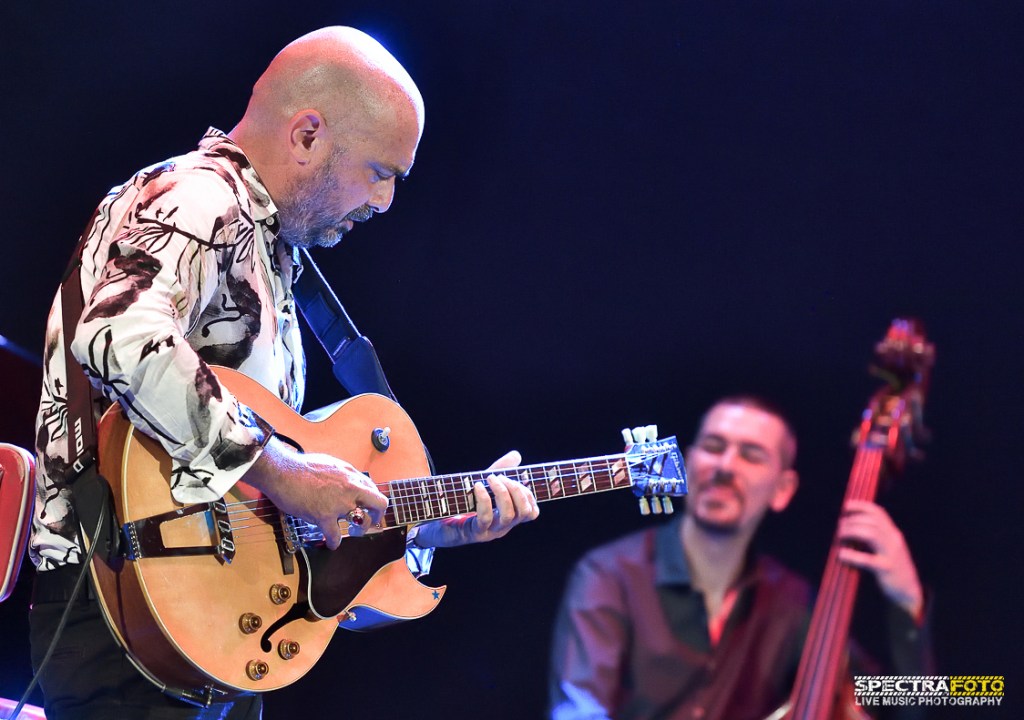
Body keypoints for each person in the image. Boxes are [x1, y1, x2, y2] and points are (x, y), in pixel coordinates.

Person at [29, 27, 539, 719]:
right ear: (307, 135)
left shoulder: (269, 247)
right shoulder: (201, 199)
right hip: (128, 609)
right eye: (380, 171)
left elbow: (269, 512)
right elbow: (118, 334)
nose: (385, 201)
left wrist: (423, 524)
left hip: (205, 625)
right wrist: (283, 470)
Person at [549, 396, 932, 720]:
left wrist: (908, 602)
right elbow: (579, 711)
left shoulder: (792, 604)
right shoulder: (609, 575)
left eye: (751, 455)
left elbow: (924, 700)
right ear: (687, 464)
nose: (725, 466)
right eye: (714, 447)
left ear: (782, 489)